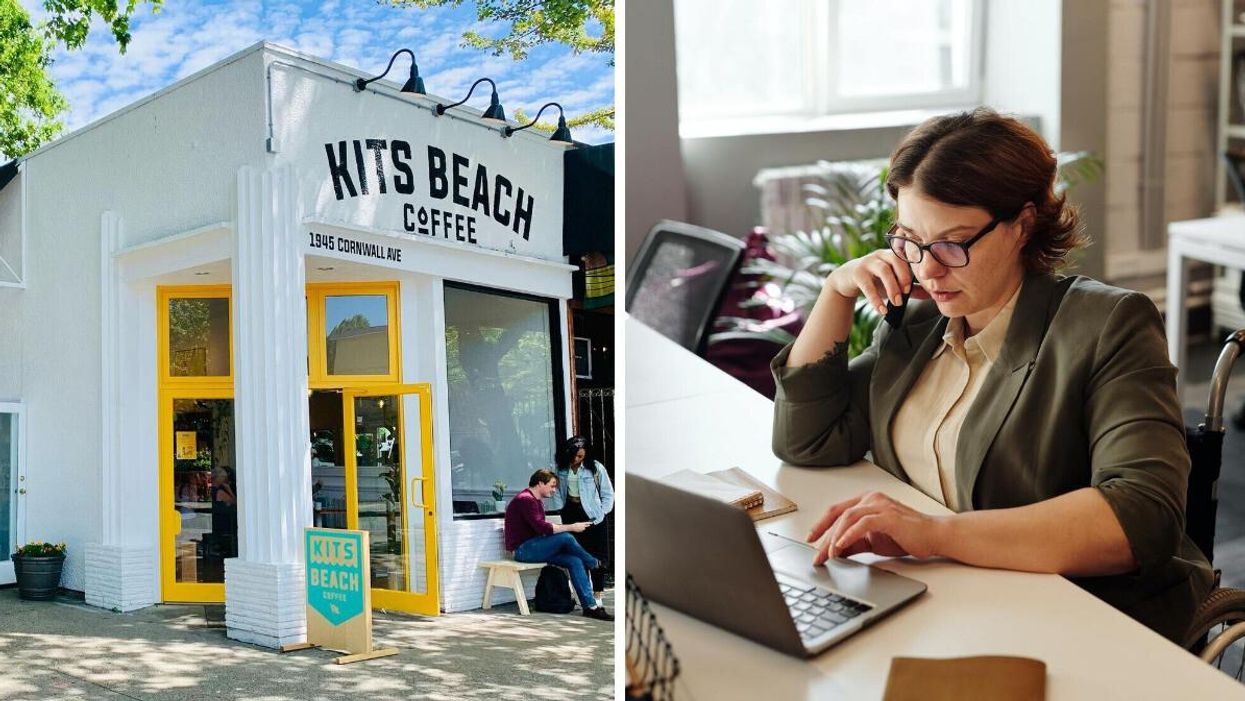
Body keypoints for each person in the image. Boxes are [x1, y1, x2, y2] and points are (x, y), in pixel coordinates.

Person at [770, 107, 1213, 645]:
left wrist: (935, 534)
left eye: (952, 244)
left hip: (1078, 620)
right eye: (909, 240)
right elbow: (808, 440)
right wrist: (835, 293)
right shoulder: (920, 319)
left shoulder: (1106, 324)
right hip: (944, 604)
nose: (927, 268)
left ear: (1022, 225)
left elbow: (1142, 516)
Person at [505, 469, 614, 621]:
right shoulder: (525, 499)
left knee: (574, 560)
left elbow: (541, 530)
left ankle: (590, 607)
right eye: (552, 485)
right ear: (540, 483)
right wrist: (572, 527)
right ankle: (593, 563)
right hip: (523, 550)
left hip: (536, 547)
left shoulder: (536, 501)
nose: (554, 490)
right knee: (567, 537)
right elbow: (542, 528)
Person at [550, 436, 615, 601]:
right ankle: (585, 596)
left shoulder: (595, 468)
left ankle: (597, 596)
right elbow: (556, 489)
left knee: (596, 555)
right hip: (571, 512)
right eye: (574, 455)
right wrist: (560, 508)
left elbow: (608, 493)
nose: (577, 459)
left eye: (580, 456)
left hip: (593, 515)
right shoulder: (561, 468)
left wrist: (602, 512)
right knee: (578, 553)